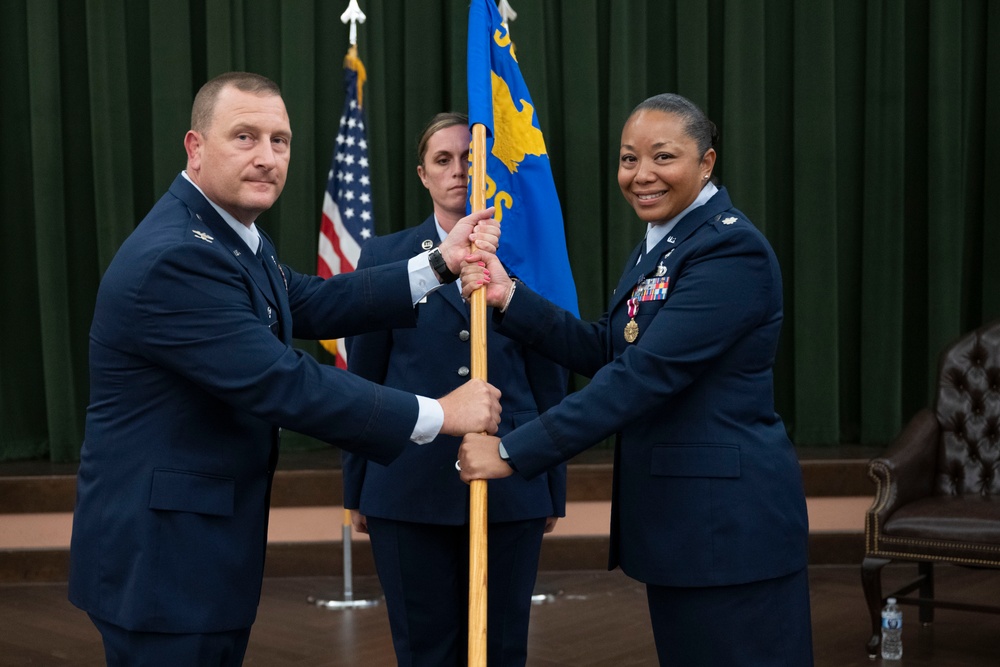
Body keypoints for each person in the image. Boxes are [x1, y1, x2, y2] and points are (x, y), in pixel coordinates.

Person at [68, 72, 503, 667]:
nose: (267, 158)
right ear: (195, 148)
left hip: (194, 553)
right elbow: (283, 381)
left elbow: (307, 301)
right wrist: (438, 414)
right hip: (162, 562)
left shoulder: (230, 234)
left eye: (280, 140)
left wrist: (440, 264)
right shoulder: (178, 256)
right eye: (245, 137)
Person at [458, 93, 814, 666]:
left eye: (663, 157)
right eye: (628, 159)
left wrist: (512, 451)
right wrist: (510, 297)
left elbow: (641, 376)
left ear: (707, 162)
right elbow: (610, 346)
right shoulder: (668, 242)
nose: (641, 175)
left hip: (728, 533)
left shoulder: (729, 249)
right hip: (688, 530)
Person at [342, 112, 569, 666]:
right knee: (424, 652)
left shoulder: (528, 258)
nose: (459, 170)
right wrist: (358, 486)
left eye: (470, 157)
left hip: (510, 481)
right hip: (407, 485)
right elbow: (365, 382)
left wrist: (550, 483)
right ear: (422, 174)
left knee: (501, 649)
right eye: (443, 160)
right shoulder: (385, 258)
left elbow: (551, 380)